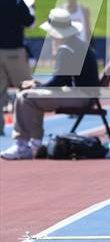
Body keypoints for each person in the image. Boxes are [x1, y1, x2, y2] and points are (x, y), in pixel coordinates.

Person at [1, 8, 100, 160]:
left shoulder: (67, 48)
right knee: (29, 96)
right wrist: (38, 85)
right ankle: (34, 143)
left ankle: (23, 145)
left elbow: (59, 81)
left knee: (25, 96)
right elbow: (64, 80)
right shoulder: (75, 44)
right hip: (83, 94)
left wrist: (36, 86)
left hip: (80, 97)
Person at [0, 0, 34, 135]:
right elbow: (29, 22)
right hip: (14, 51)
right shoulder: (17, 3)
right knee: (24, 91)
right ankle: (23, 129)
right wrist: (31, 9)